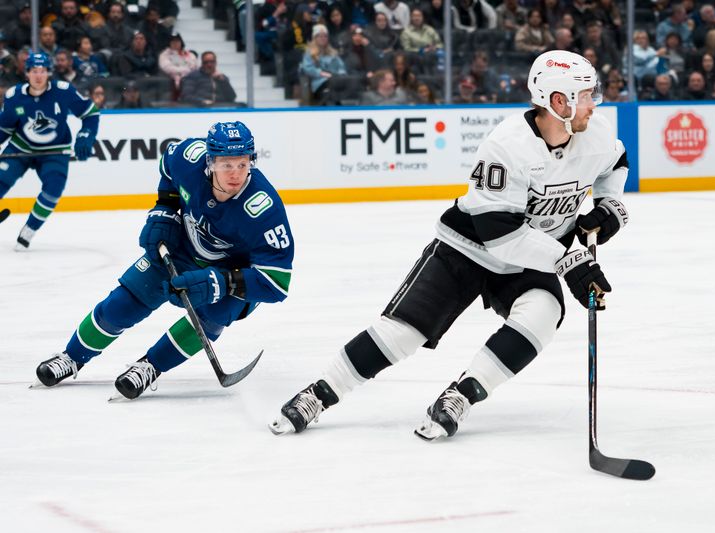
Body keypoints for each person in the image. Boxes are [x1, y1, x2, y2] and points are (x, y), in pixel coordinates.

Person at [270, 50, 629, 440]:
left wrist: (611, 205)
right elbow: (502, 238)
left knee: (543, 313)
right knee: (405, 332)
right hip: (468, 248)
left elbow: (616, 163)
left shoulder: (597, 132)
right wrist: (569, 260)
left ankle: (461, 395)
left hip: (534, 256)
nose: (595, 104)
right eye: (587, 95)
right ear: (560, 101)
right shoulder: (507, 146)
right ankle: (320, 393)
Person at [34, 121, 294, 400]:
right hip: (182, 247)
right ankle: (72, 357)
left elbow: (276, 283)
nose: (235, 174)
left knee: (214, 315)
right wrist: (165, 209)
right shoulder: (188, 157)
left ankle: (150, 366)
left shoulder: (263, 209)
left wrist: (221, 283)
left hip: (232, 271)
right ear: (209, 161)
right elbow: (168, 168)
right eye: (226, 165)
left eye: (242, 165)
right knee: (127, 300)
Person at [0, 53, 100, 248]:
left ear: (48, 73)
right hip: (21, 147)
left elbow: (91, 113)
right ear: (27, 73)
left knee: (53, 189)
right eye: (34, 71)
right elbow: (4, 128)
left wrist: (85, 136)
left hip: (55, 151)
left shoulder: (64, 91)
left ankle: (30, 229)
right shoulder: (14, 96)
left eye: (43, 71)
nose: (39, 76)